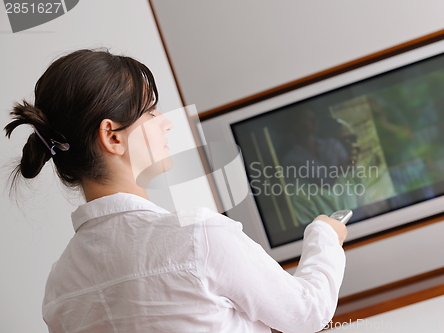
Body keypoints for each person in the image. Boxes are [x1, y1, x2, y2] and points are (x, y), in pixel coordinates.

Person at [4, 49, 347, 333]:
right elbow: (307, 312)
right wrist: (324, 235)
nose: (166, 121)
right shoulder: (199, 238)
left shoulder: (59, 289)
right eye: (150, 111)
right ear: (113, 137)